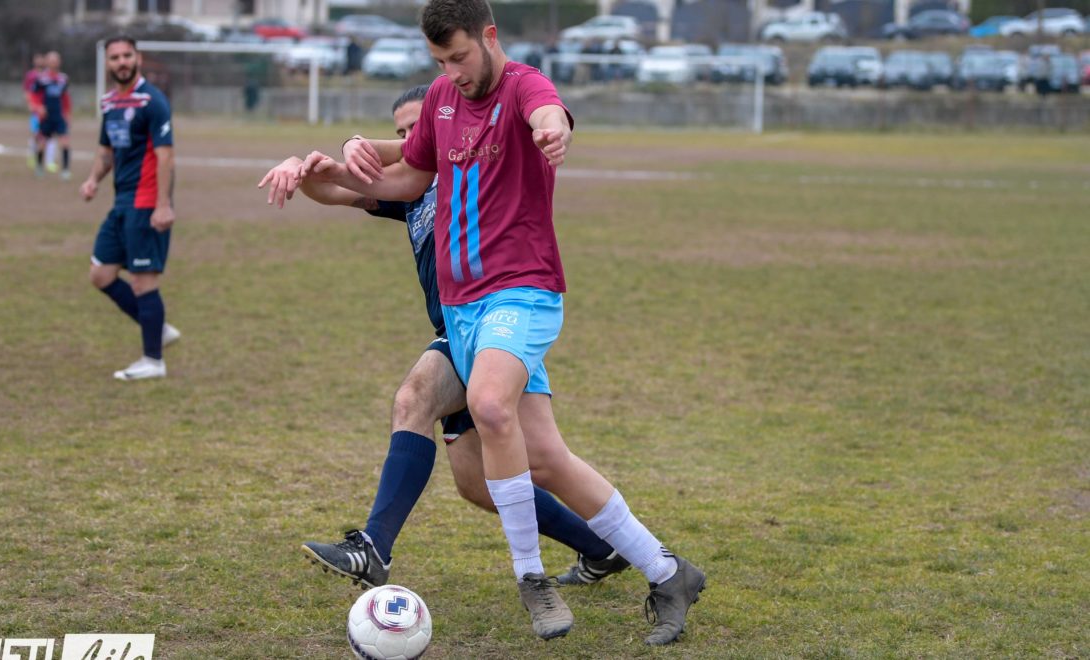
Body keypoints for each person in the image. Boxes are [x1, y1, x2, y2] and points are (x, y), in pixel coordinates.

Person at [293, 0, 706, 645]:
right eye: (440, 61)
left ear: (489, 36)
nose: (452, 72)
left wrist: (553, 129)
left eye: (459, 56)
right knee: (547, 459)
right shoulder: (441, 99)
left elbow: (547, 110)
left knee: (487, 405)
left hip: (521, 293)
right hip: (463, 311)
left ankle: (530, 577)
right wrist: (328, 168)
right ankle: (668, 571)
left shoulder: (523, 86)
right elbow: (406, 176)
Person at [257, 84, 630, 593]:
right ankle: (603, 547)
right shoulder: (411, 189)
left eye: (418, 126)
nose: (411, 137)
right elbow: (336, 190)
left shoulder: (469, 175)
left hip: (487, 323)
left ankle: (373, 548)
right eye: (401, 131)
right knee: (478, 484)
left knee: (414, 399)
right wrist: (301, 170)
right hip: (458, 330)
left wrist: (549, 126)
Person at [79, 36, 180, 381]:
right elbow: (106, 151)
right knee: (100, 274)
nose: (121, 62)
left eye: (127, 55)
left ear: (137, 57)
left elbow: (166, 157)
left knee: (142, 280)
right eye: (115, 57)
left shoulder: (153, 101)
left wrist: (163, 205)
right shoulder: (109, 103)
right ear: (107, 63)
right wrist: (93, 179)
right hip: (121, 202)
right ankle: (157, 328)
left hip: (146, 201)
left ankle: (153, 360)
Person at [31, 51, 71, 179]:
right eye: (51, 60)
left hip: (59, 116)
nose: (54, 63)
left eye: (56, 60)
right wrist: (39, 108)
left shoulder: (63, 78)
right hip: (46, 116)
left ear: (59, 62)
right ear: (47, 62)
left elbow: (65, 97)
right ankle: (39, 167)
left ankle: (65, 170)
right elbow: (34, 95)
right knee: (42, 142)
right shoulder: (41, 78)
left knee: (65, 142)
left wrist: (67, 113)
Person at [23, 53, 57, 171]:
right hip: (37, 110)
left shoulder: (48, 76)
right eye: (37, 59)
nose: (39, 62)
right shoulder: (31, 75)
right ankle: (32, 156)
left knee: (50, 136)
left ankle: (50, 161)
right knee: (36, 135)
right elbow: (28, 92)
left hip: (49, 111)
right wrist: (31, 105)